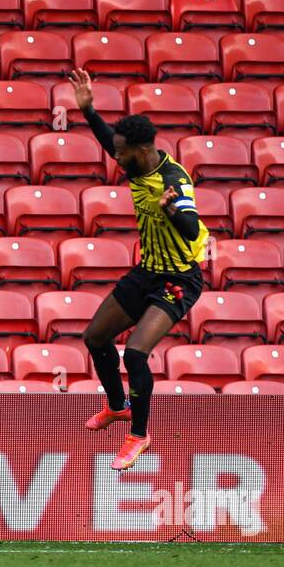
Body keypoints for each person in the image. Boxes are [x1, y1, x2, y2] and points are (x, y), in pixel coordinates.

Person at [67, 68, 209, 472]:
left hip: (179, 279)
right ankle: (118, 406)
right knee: (95, 338)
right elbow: (108, 139)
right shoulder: (136, 162)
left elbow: (192, 226)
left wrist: (169, 209)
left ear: (142, 150)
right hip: (148, 270)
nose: (116, 156)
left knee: (135, 353)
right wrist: (89, 109)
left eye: (122, 151)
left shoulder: (172, 181)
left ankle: (140, 433)